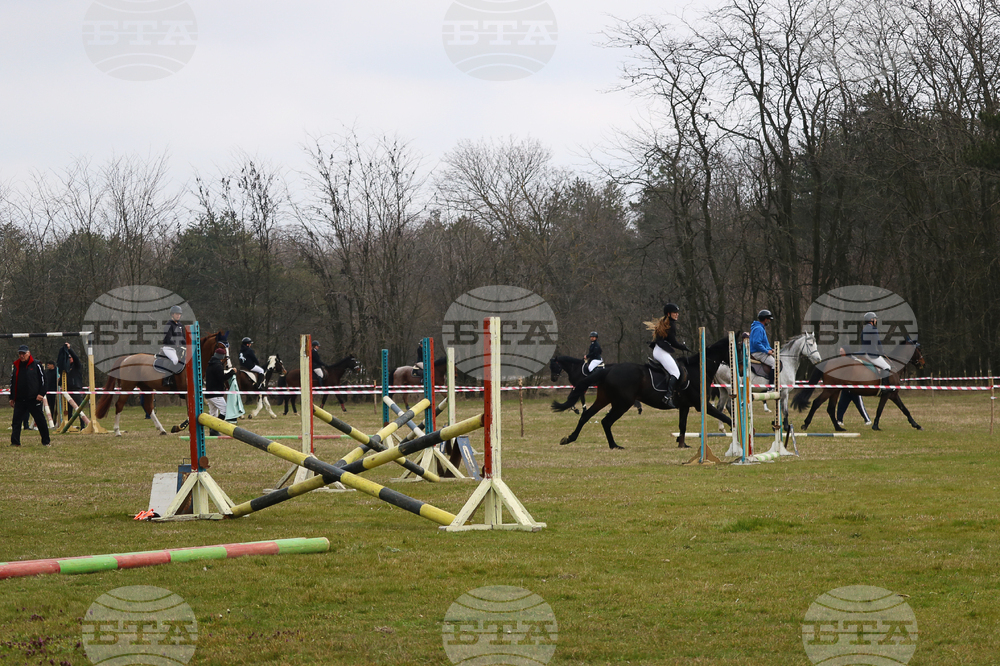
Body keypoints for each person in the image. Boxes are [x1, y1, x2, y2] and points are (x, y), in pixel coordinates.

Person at [9, 345, 50, 447]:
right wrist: (11, 397)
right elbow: (12, 382)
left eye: (24, 354)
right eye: (20, 354)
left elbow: (44, 381)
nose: (22, 356)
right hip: (19, 399)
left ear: (29, 353)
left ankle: (46, 441)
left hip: (33, 399)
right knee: (16, 422)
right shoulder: (16, 366)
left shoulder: (36, 365)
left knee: (40, 420)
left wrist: (41, 394)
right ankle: (15, 442)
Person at [650, 303, 689, 408]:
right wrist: (683, 347)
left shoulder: (666, 322)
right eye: (675, 313)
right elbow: (674, 343)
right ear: (668, 314)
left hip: (660, 350)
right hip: (661, 352)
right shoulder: (671, 325)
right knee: (675, 373)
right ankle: (667, 397)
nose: (677, 315)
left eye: (677, 313)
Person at [204, 344, 234, 435]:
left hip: (210, 394)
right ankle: (215, 429)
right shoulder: (217, 366)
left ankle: (212, 431)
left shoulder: (210, 365)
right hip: (216, 394)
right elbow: (222, 378)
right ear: (222, 357)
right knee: (225, 410)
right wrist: (232, 372)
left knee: (213, 414)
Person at [160, 305, 186, 388]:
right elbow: (168, 338)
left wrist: (187, 345)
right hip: (169, 347)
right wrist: (177, 346)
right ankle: (166, 378)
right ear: (172, 314)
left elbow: (183, 338)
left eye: (179, 314)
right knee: (175, 360)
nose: (178, 315)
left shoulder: (180, 325)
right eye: (176, 314)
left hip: (179, 348)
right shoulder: (169, 324)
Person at [860, 312, 892, 377]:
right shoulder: (873, 329)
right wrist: (882, 352)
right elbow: (878, 342)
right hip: (871, 354)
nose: (876, 320)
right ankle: (885, 387)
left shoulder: (864, 329)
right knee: (887, 367)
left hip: (863, 353)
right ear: (871, 320)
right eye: (875, 319)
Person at [749, 309, 776, 382]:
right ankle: (772, 385)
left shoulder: (759, 328)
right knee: (775, 364)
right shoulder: (759, 328)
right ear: (765, 319)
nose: (769, 321)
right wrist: (767, 351)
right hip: (758, 353)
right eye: (769, 319)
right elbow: (757, 343)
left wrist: (770, 349)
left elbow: (764, 343)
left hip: (760, 351)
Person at [56, 341, 85, 408]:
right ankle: (68, 418)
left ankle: (82, 419)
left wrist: (69, 349)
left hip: (76, 389)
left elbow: (76, 358)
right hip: (67, 389)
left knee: (79, 409)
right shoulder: (66, 367)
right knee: (68, 410)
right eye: (68, 358)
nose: (69, 359)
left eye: (70, 358)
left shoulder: (77, 366)